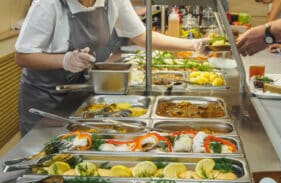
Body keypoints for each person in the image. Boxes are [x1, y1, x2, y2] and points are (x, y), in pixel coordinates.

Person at [15, 0, 208, 136]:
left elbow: (141, 36)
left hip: (82, 91)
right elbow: (22, 56)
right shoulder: (48, 4)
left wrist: (193, 45)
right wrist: (64, 61)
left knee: (77, 148)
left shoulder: (113, 1)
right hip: (45, 96)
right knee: (40, 158)